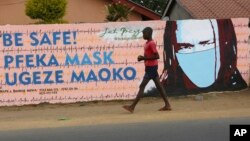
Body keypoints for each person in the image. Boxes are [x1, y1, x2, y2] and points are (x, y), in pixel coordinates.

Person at [162, 19, 247, 95]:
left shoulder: (237, 83)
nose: (197, 56)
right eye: (185, 47)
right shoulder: (166, 87)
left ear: (224, 44)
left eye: (206, 43)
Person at [123, 27, 171, 113]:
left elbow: (157, 56)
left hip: (151, 68)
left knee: (142, 86)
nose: (143, 35)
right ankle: (167, 105)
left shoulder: (151, 43)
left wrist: (144, 58)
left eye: (144, 33)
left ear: (148, 33)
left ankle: (132, 107)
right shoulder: (147, 43)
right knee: (159, 86)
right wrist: (143, 58)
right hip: (150, 67)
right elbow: (150, 55)